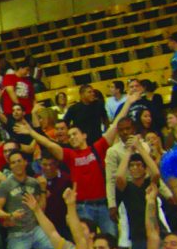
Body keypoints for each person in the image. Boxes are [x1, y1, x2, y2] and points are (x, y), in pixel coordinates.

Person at [17, 89, 137, 237]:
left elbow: (115, 125)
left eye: (75, 134)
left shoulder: (98, 148)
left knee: (111, 239)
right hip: (82, 206)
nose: (72, 137)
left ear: (84, 135)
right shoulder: (69, 155)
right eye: (69, 135)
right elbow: (49, 144)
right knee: (85, 244)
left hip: (103, 204)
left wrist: (129, 102)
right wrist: (31, 132)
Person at [0, 149, 56, 249]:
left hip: (36, 230)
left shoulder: (34, 183)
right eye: (13, 162)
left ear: (25, 162)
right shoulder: (4, 185)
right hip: (17, 234)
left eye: (19, 161)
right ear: (10, 166)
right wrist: (10, 216)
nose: (17, 164)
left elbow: (41, 209)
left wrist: (43, 189)